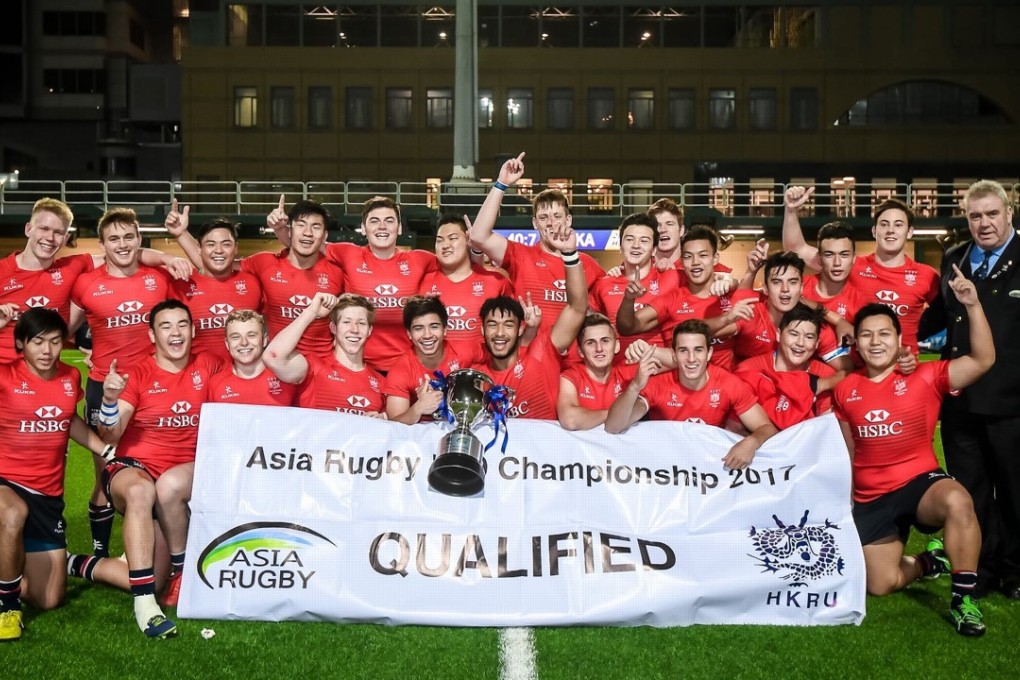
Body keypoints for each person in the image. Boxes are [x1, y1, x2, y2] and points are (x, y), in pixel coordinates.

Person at [834, 290, 993, 636]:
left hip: (920, 483)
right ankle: (929, 561)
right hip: (871, 497)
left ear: (900, 340)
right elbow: (848, 449)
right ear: (856, 344)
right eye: (867, 334)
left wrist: (973, 305)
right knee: (880, 583)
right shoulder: (845, 390)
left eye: (884, 334)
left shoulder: (926, 375)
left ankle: (963, 600)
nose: (876, 342)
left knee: (957, 500)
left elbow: (982, 359)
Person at [93, 299, 222, 638]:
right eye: (166, 327)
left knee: (156, 574)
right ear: (152, 335)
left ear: (194, 331)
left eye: (182, 325)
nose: (175, 333)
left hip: (179, 483)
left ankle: (76, 564)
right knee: (142, 490)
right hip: (135, 470)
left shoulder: (209, 365)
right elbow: (110, 434)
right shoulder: (138, 373)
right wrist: (108, 400)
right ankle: (144, 606)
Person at [919, 179, 1020, 599]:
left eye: (992, 214)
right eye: (975, 215)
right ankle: (979, 567)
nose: (984, 223)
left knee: (1015, 490)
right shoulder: (954, 258)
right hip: (961, 401)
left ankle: (1014, 571)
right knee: (971, 489)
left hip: (1013, 400)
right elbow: (937, 321)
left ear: (1009, 213)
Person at [69, 207, 181, 558]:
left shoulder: (159, 279)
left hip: (152, 388)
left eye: (129, 237)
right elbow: (63, 329)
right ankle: (100, 551)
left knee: (153, 465)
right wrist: (86, 350)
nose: (122, 244)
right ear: (102, 244)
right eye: (114, 238)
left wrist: (163, 255)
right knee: (105, 470)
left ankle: (158, 542)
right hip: (106, 387)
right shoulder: (85, 282)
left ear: (139, 239)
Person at [0, 309, 114, 642]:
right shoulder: (6, 377)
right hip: (6, 480)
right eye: (38, 342)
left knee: (49, 599)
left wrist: (103, 449)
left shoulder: (69, 377)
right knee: (12, 513)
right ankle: (7, 608)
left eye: (53, 341)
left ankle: (10, 573)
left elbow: (71, 420)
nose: (47, 350)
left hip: (47, 495)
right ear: (21, 344)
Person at [0, 198, 189, 365]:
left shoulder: (71, 268)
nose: (50, 238)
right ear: (28, 229)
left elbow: (122, 252)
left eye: (58, 232)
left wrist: (167, 258)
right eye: (44, 229)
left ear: (65, 238)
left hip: (44, 376)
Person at [270, 195, 438, 372]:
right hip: (356, 365)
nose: (382, 226)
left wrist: (472, 246)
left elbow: (459, 263)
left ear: (400, 228)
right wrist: (280, 229)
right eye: (374, 221)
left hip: (406, 367)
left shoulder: (420, 259)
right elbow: (305, 243)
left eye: (389, 220)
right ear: (364, 229)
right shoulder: (348, 254)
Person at [605, 319, 778, 472]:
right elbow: (613, 426)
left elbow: (767, 428)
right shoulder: (658, 384)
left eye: (698, 350)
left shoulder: (728, 383)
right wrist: (635, 386)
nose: (691, 358)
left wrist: (751, 442)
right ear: (673, 354)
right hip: (666, 468)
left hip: (707, 469)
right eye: (683, 351)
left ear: (709, 353)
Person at [783, 187, 938, 353]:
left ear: (909, 232)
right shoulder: (852, 264)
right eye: (884, 224)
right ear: (874, 231)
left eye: (898, 225)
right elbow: (796, 250)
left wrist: (916, 336)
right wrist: (791, 211)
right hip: (864, 367)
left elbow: (945, 315)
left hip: (905, 367)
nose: (890, 230)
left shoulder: (927, 275)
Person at [469, 225, 588, 420]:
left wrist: (569, 254)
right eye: (492, 324)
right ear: (482, 330)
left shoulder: (541, 354)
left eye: (508, 324)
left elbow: (577, 308)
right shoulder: (475, 377)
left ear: (520, 329)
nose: (500, 333)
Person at [468, 152, 605, 320]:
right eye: (543, 217)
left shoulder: (588, 265)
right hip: (529, 345)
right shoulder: (520, 255)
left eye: (557, 216)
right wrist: (501, 184)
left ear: (568, 220)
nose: (551, 223)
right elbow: (478, 236)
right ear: (535, 223)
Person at [617, 225, 756, 370]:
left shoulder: (730, 295)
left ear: (715, 259)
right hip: (681, 387)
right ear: (682, 261)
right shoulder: (672, 300)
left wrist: (745, 274)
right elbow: (627, 327)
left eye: (703, 255)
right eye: (688, 256)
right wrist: (628, 299)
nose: (695, 262)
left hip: (727, 386)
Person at [705, 251, 852, 371]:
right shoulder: (750, 313)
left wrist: (819, 383)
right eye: (777, 282)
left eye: (793, 282)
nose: (785, 290)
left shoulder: (812, 324)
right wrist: (727, 318)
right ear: (765, 289)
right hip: (749, 390)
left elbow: (847, 370)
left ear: (801, 288)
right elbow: (695, 333)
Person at [264, 292, 386, 417]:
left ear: (369, 331)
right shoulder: (314, 368)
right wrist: (312, 312)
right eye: (346, 322)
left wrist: (384, 420)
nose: (354, 329)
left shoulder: (382, 383)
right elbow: (273, 356)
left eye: (361, 323)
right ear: (333, 328)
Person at [166, 211, 263, 362]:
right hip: (198, 379)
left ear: (236, 248)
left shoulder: (253, 283)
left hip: (242, 378)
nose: (218, 250)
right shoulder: (180, 284)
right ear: (199, 248)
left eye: (226, 244)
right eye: (211, 244)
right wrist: (180, 235)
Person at [418, 214, 513, 357]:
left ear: (469, 241)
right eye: (439, 240)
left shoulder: (496, 282)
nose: (445, 245)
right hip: (436, 373)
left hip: (481, 372)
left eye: (452, 238)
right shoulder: (422, 283)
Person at [735, 306, 840, 430]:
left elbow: (825, 431)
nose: (800, 343)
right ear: (778, 335)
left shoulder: (826, 376)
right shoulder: (748, 370)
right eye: (794, 334)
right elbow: (735, 429)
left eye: (809, 337)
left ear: (817, 343)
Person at [588, 213, 679, 355]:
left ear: (654, 249)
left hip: (660, 373)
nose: (636, 246)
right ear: (620, 246)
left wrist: (725, 279)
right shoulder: (603, 285)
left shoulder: (671, 278)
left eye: (644, 240)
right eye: (629, 239)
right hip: (617, 373)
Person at [383, 295, 480, 424]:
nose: (427, 335)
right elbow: (394, 424)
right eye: (418, 328)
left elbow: (499, 356)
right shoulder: (400, 370)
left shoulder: (465, 350)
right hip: (420, 434)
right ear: (409, 334)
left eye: (434, 326)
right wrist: (418, 408)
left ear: (445, 329)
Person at [557, 314, 640, 431]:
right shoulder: (570, 377)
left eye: (605, 341)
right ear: (580, 351)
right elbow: (570, 420)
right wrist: (617, 416)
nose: (599, 348)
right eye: (590, 343)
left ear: (616, 346)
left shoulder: (627, 374)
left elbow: (673, 361)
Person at [207, 309, 298, 406]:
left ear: (264, 340)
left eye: (251, 335)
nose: (244, 342)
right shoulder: (215, 384)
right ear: (227, 344)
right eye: (235, 337)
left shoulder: (285, 376)